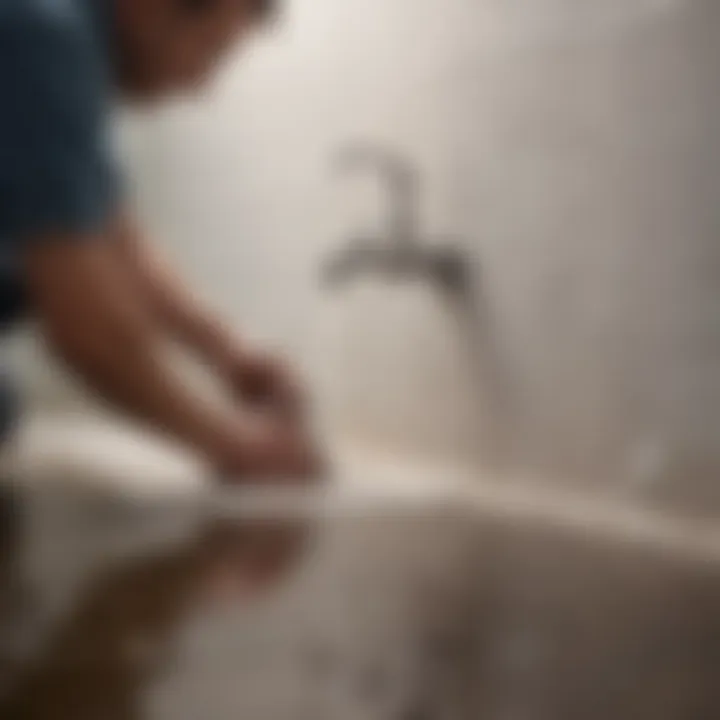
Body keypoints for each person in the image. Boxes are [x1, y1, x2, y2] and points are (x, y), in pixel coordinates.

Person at [0, 0, 321, 481]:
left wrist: (230, 354)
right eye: (210, 52)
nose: (201, 87)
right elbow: (85, 326)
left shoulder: (59, 36)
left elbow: (114, 238)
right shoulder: (43, 34)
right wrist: (232, 446)